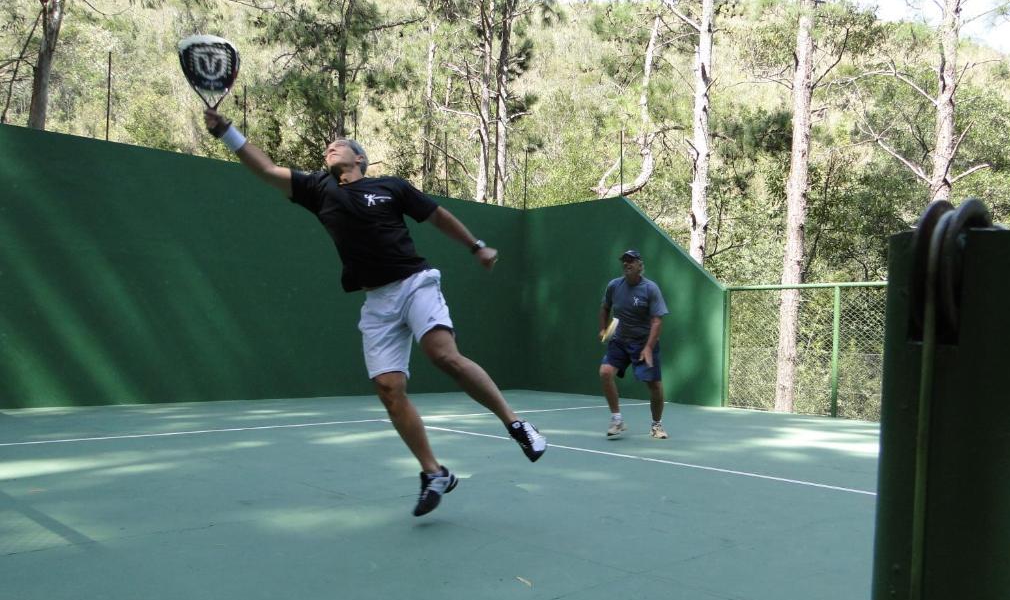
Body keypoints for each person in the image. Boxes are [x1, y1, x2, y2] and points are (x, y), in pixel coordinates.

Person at [202, 108, 546, 517]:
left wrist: (476, 246)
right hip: (377, 302)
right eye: (329, 147)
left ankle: (515, 424)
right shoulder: (317, 189)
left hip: (414, 283)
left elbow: (439, 216)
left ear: (360, 158)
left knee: (443, 356)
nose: (331, 147)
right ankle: (433, 472)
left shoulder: (391, 187)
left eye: (340, 145)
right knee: (388, 388)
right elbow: (266, 169)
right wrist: (226, 131)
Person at [598, 249, 669, 440]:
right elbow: (605, 307)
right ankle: (617, 419)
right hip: (619, 340)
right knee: (605, 372)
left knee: (654, 385)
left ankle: (656, 425)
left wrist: (647, 347)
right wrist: (603, 328)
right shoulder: (614, 286)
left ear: (640, 265)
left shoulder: (650, 289)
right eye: (624, 261)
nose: (626, 264)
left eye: (631, 261)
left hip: (644, 342)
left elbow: (657, 321)